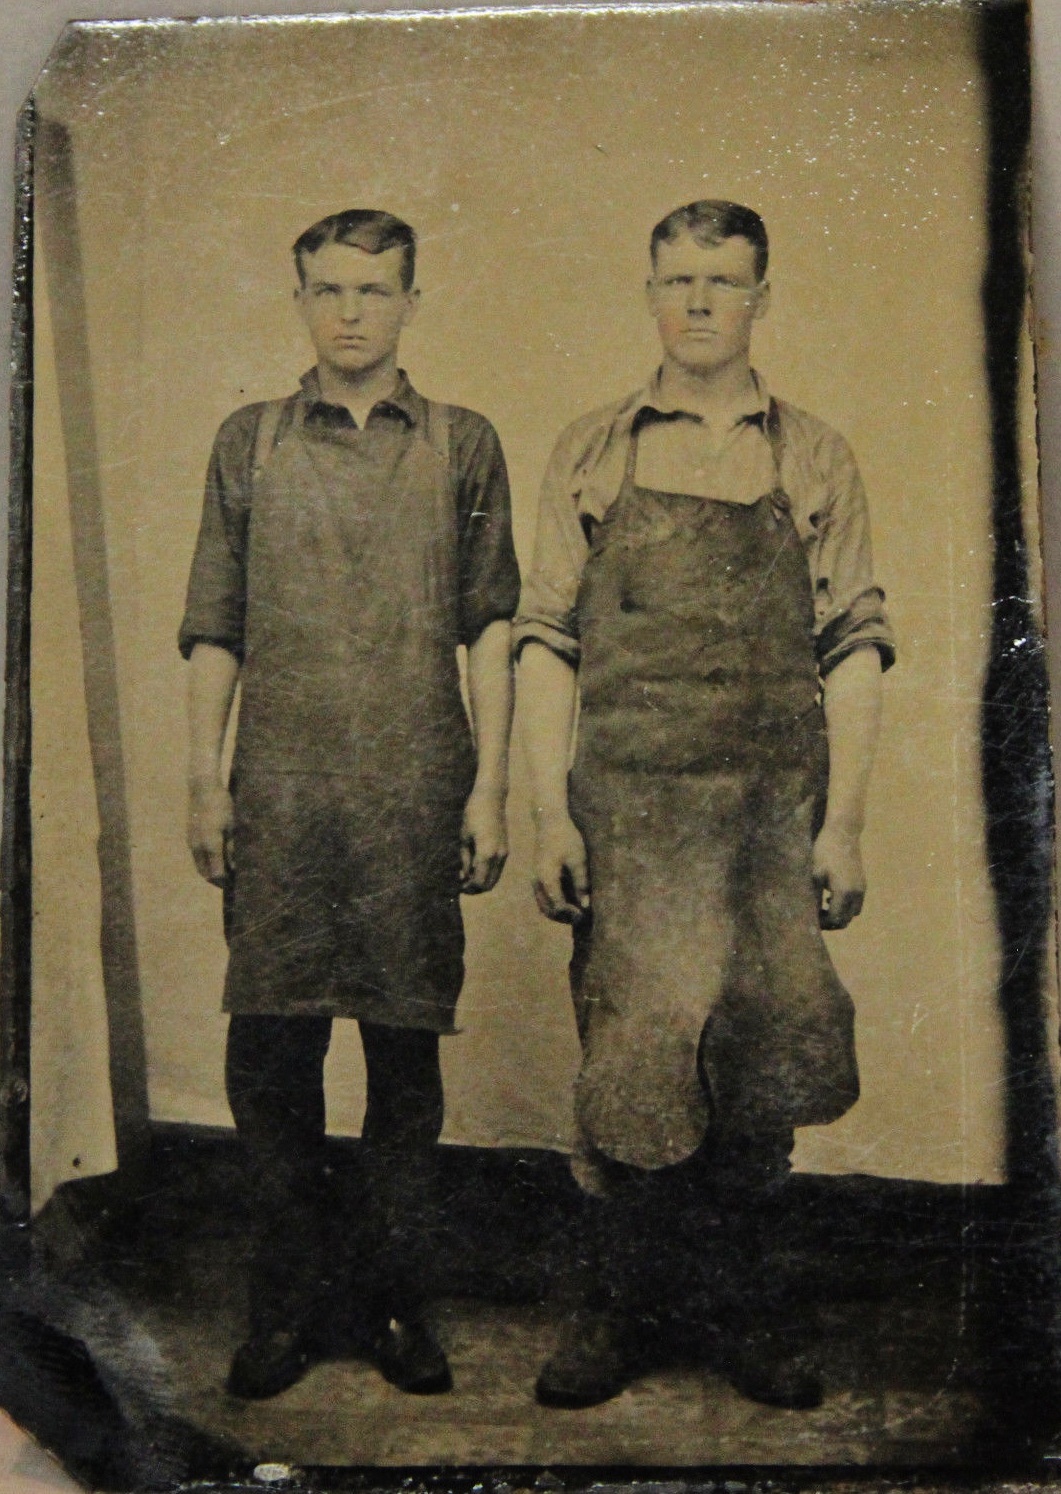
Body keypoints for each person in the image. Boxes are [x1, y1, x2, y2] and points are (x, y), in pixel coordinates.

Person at [515, 200, 894, 1410]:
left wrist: (842, 824)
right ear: (648, 293)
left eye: (721, 281)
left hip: (767, 822)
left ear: (758, 299)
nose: (696, 302)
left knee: (757, 1062)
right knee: (630, 1060)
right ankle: (619, 1312)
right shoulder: (591, 449)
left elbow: (854, 645)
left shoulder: (813, 456)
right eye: (676, 279)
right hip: (627, 818)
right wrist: (548, 814)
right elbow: (544, 640)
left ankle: (741, 1315)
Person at [179, 209, 519, 1401]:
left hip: (413, 794)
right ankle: (283, 1307)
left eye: (374, 291)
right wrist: (204, 781)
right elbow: (214, 626)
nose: (350, 313)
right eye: (327, 290)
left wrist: (490, 787)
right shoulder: (250, 442)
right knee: (271, 1058)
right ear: (299, 301)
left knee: (402, 1066)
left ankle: (392, 1305)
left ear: (410, 303)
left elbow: (491, 629)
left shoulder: (462, 444)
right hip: (280, 796)